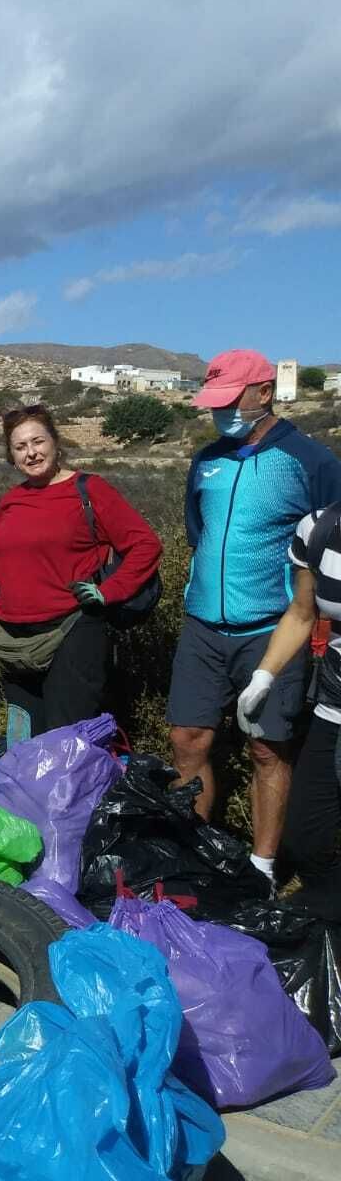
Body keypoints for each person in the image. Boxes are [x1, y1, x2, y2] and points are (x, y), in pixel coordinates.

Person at [168, 349, 341, 886]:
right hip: (201, 626)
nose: (220, 413)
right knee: (187, 740)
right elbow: (199, 531)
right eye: (214, 403)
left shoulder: (312, 462)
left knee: (268, 748)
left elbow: (330, 541)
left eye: (230, 400)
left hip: (272, 630)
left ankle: (262, 867)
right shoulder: (207, 460)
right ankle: (194, 853)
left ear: (264, 392)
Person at [0, 406, 161, 740]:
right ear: (11, 455)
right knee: (22, 735)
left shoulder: (89, 490)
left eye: (38, 441)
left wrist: (111, 590)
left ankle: (75, 794)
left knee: (67, 737)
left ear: (56, 442)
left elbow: (144, 545)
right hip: (15, 638)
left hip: (72, 630)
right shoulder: (12, 500)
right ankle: (27, 794)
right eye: (20, 447)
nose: (31, 453)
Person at [237, 500, 341, 917]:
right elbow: (302, 613)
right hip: (334, 706)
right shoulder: (319, 529)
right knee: (303, 836)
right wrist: (264, 675)